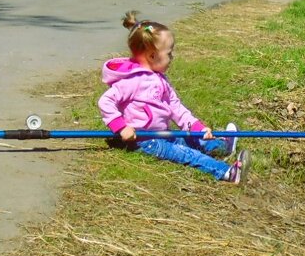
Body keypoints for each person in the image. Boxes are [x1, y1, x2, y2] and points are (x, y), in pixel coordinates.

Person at [98, 11, 249, 183]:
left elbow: (175, 107)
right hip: (145, 141)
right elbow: (106, 101)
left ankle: (223, 147)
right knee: (188, 154)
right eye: (169, 53)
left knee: (192, 139)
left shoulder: (159, 79)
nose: (172, 57)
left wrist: (196, 127)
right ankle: (228, 173)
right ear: (153, 55)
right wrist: (121, 127)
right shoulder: (133, 81)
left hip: (162, 134)